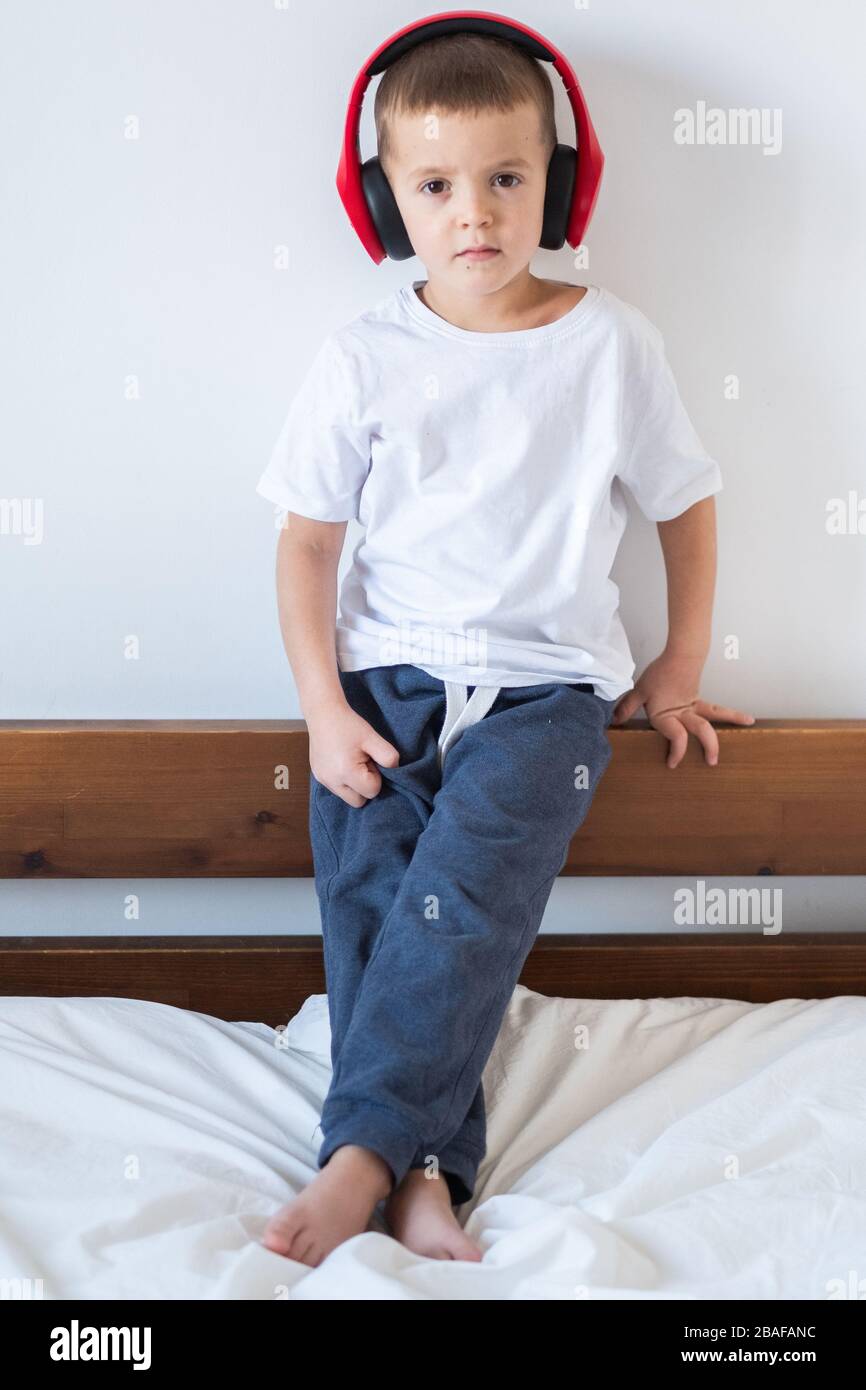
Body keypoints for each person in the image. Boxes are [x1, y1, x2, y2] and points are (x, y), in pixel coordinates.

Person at [255, 30, 754, 1268]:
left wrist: (676, 663)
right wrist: (322, 707)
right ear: (383, 198)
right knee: (380, 912)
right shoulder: (362, 358)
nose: (472, 214)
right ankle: (427, 1174)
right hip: (381, 687)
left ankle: (354, 1159)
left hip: (547, 698)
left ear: (556, 184)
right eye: (432, 185)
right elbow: (306, 547)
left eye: (504, 179)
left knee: (463, 901)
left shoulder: (609, 345)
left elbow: (682, 503)